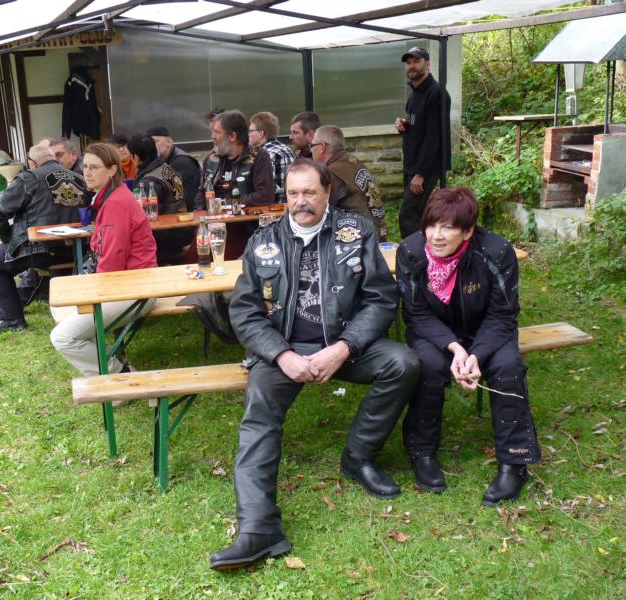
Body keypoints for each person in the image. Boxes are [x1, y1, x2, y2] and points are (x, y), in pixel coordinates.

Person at [210, 159, 420, 571]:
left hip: (342, 345)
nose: (300, 201)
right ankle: (258, 528)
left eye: (309, 192)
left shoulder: (355, 232)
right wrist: (281, 355)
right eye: (292, 193)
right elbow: (245, 313)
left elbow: (381, 299)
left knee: (403, 363)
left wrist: (343, 348)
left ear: (327, 193)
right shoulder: (263, 241)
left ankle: (358, 457)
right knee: (258, 414)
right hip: (283, 349)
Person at [396, 187, 540, 505]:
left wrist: (476, 353)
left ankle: (513, 462)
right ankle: (422, 453)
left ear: (468, 230)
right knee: (428, 366)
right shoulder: (411, 251)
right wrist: (454, 347)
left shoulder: (496, 251)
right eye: (431, 225)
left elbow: (503, 313)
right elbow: (415, 313)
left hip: (486, 329)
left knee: (507, 367)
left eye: (448, 227)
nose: (436, 236)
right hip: (434, 331)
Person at [51, 143, 158, 378]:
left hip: (135, 291)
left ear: (112, 170)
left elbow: (112, 263)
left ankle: (122, 376)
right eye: (85, 167)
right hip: (125, 285)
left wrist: (87, 293)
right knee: (59, 305)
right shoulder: (110, 198)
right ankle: (114, 367)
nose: (87, 172)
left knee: (63, 337)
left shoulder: (116, 203)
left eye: (94, 167)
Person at [0, 144, 86, 332]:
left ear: (32, 162)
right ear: (54, 158)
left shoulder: (28, 178)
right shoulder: (79, 178)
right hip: (78, 251)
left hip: (39, 250)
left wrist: (9, 241)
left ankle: (12, 320)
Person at [395, 46, 451, 239]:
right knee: (419, 214)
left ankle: (412, 253)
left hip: (425, 168)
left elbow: (434, 136)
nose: (411, 66)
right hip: (412, 164)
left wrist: (421, 174)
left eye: (416, 61)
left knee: (408, 215)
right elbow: (418, 126)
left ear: (427, 64)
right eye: (408, 62)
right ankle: (427, 250)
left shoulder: (437, 93)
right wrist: (403, 124)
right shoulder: (415, 93)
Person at [311, 125, 388, 241]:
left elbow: (319, 213)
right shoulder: (353, 162)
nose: (310, 150)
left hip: (359, 240)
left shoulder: (332, 173)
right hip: (378, 233)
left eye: (312, 146)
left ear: (322, 147)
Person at [127, 134, 192, 261]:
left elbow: (143, 217)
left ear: (136, 157)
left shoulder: (148, 183)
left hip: (164, 239)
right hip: (181, 230)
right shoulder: (167, 169)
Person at [197, 110, 274, 208]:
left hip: (246, 216)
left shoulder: (258, 156)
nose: (213, 136)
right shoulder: (211, 159)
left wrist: (226, 204)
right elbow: (201, 194)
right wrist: (200, 213)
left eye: (217, 132)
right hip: (214, 216)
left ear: (232, 136)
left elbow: (264, 196)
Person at [146, 126, 201, 211]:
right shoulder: (161, 161)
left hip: (192, 212)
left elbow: (181, 197)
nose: (152, 146)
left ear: (168, 142)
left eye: (155, 142)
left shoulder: (182, 161)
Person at [249, 111, 295, 204]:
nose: (248, 134)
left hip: (274, 207)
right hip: (291, 203)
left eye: (250, 131)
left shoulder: (265, 154)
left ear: (261, 133)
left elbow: (266, 189)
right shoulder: (286, 149)